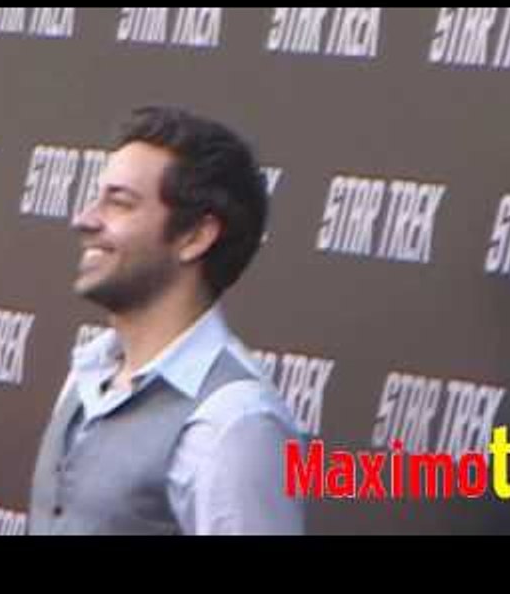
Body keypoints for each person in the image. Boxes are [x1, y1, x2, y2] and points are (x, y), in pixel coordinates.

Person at [28, 106, 305, 535]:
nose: (84, 219)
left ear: (195, 236)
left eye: (119, 202)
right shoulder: (89, 374)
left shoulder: (234, 423)